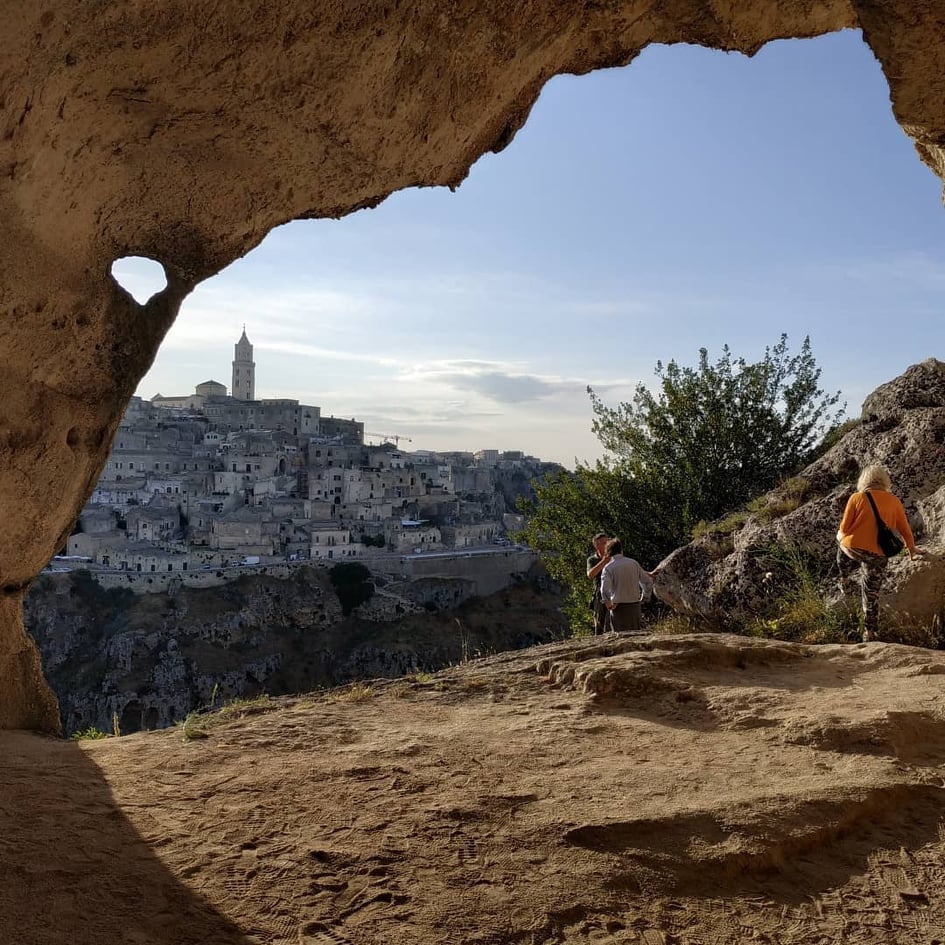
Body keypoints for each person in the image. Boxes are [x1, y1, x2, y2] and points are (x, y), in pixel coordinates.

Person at [836, 464, 925, 642]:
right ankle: (870, 633)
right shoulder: (894, 501)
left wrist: (842, 535)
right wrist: (911, 548)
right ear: (885, 481)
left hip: (855, 549)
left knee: (840, 540)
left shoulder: (857, 497)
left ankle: (844, 579)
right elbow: (905, 528)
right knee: (871, 593)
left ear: (864, 480)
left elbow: (844, 528)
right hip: (878, 554)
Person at [600, 538, 654, 634]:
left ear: (608, 552)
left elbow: (604, 590)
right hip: (635, 606)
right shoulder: (633, 563)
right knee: (636, 636)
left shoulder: (608, 568)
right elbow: (648, 582)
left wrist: (608, 604)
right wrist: (644, 598)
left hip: (618, 608)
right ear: (621, 550)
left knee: (620, 638)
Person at [586, 532, 611, 634]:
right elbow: (590, 575)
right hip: (599, 595)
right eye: (604, 543)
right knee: (600, 623)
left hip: (613, 593)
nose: (607, 545)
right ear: (596, 546)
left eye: (607, 542)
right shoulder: (592, 559)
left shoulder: (613, 557)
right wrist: (603, 562)